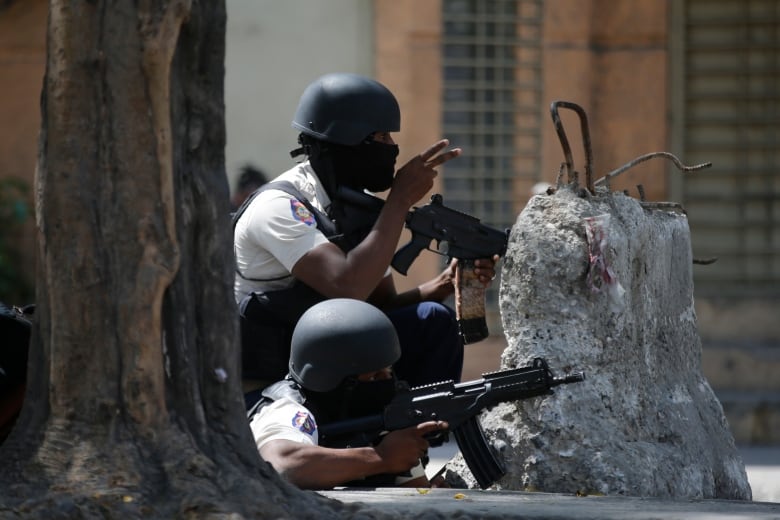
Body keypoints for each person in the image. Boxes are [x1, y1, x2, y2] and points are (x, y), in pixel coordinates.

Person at [233, 72, 498, 404]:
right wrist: (399, 202)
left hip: (329, 357)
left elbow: (379, 306)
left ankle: (415, 431)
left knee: (432, 320)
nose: (393, 148)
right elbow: (348, 286)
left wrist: (445, 283)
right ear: (345, 141)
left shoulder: (351, 209)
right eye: (381, 137)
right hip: (273, 378)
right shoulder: (281, 206)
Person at [248, 298, 448, 489]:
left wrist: (433, 495)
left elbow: (413, 490)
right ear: (334, 380)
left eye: (389, 372)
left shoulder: (378, 422)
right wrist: (381, 457)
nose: (387, 384)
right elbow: (283, 465)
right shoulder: (289, 409)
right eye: (375, 376)